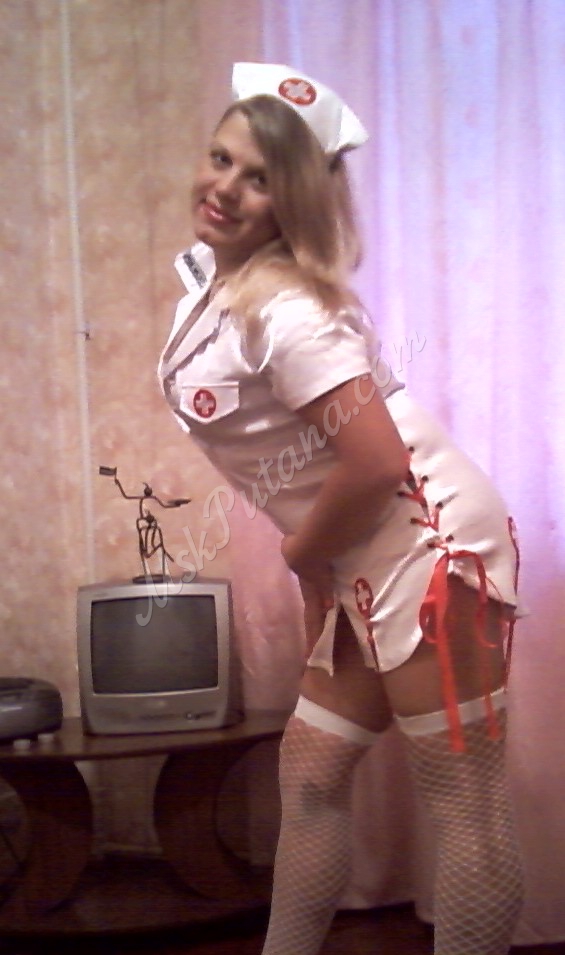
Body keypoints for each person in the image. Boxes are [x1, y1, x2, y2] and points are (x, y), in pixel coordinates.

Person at [158, 62, 523, 955]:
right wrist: (318, 565)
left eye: (260, 179)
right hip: (361, 547)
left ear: (294, 202)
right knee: (311, 772)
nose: (225, 188)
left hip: (431, 546)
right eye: (221, 159)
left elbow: (375, 461)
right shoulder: (215, 285)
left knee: (462, 800)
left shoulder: (287, 311)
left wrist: (299, 555)